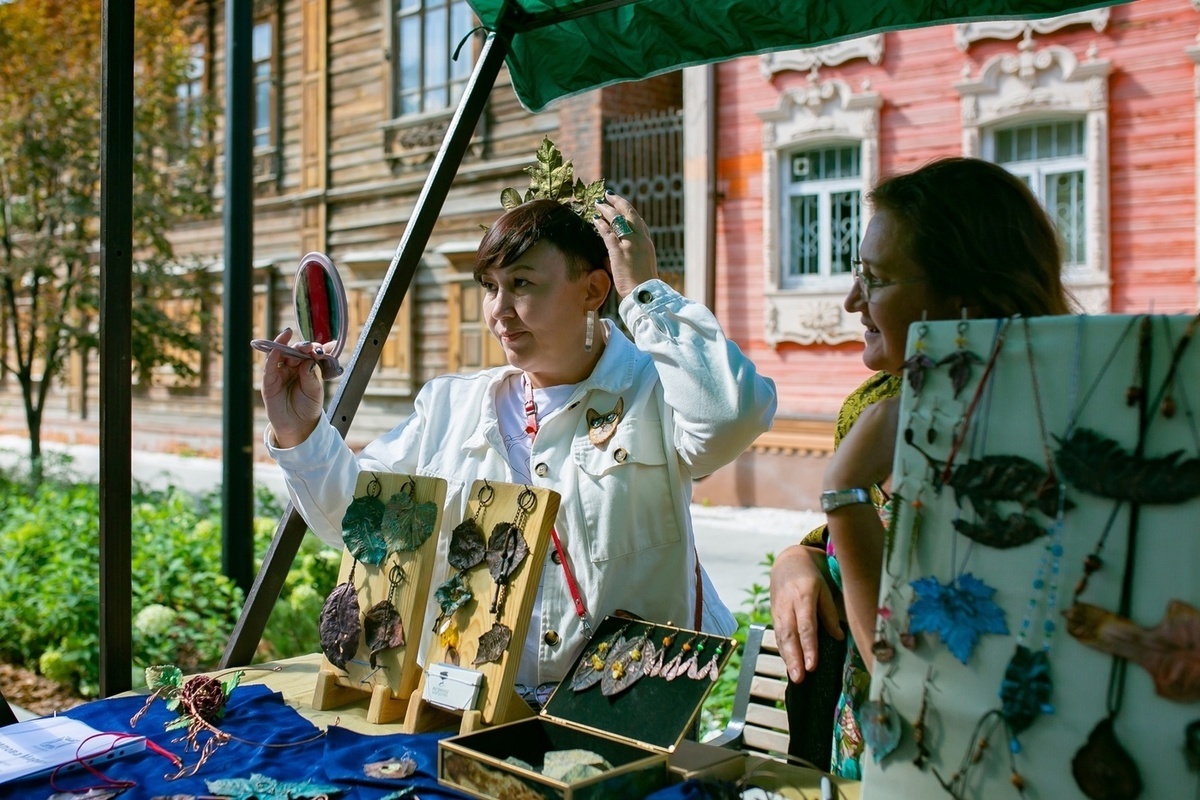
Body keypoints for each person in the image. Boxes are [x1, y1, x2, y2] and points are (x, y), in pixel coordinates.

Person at [262, 193, 777, 700]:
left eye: (522, 284)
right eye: (491, 286)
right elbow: (357, 524)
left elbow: (730, 417)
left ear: (595, 290)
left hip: (622, 708)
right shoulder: (452, 406)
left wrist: (644, 293)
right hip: (471, 709)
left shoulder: (654, 390)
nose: (499, 311)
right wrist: (300, 431)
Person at [768, 156, 1073, 778]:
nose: (853, 299)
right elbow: (846, 550)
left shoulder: (1024, 452)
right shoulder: (878, 409)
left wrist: (844, 492)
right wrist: (797, 559)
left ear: (959, 299)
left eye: (875, 279)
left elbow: (908, 669)